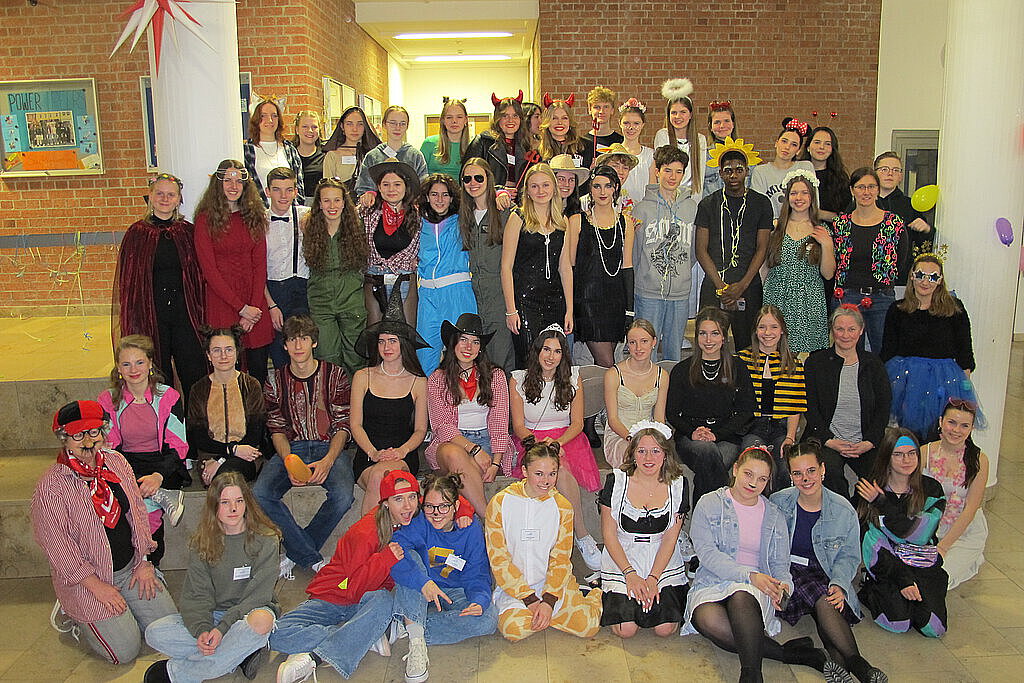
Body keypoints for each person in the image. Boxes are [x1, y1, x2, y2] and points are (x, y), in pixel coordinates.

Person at [32, 400, 176, 665]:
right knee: (125, 651)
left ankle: (125, 612)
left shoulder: (116, 462)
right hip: (89, 579)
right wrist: (96, 587)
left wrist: (144, 561)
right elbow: (57, 547)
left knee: (169, 630)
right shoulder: (51, 487)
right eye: (78, 435)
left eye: (94, 432)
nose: (88, 441)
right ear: (64, 438)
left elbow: (138, 512)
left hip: (131, 568)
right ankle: (75, 614)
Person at [683, 447, 837, 683]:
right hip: (713, 580)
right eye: (748, 474)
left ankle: (751, 674)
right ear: (736, 469)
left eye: (762, 479)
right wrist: (749, 575)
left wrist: (783, 587)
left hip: (756, 587)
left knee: (741, 596)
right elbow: (707, 554)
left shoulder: (774, 514)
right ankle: (792, 654)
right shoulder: (710, 503)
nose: (753, 483)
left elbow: (780, 564)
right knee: (705, 619)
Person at [272, 471, 443, 683]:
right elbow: (352, 589)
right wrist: (384, 560)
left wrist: (464, 510)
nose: (408, 506)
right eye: (398, 499)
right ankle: (363, 635)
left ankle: (323, 653)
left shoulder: (409, 520)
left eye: (412, 497)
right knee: (277, 634)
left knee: (383, 599)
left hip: (367, 602)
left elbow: (448, 501)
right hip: (334, 594)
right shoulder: (366, 532)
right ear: (386, 503)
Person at [143, 472, 280, 683]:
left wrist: (223, 629)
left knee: (262, 622)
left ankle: (178, 673)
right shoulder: (202, 543)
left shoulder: (267, 539)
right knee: (154, 633)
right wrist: (203, 630)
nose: (233, 508)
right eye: (225, 502)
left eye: (239, 501)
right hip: (215, 614)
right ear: (214, 505)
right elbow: (197, 594)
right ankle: (238, 653)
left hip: (250, 614)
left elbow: (258, 597)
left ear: (247, 503)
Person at [770, 441, 887, 683]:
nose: (805, 479)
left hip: (824, 571)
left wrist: (840, 583)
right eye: (797, 473)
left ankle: (842, 666)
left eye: (811, 470)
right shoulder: (778, 502)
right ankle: (860, 666)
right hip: (788, 572)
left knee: (827, 599)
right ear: (790, 475)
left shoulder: (843, 510)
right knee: (822, 599)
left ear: (823, 469)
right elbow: (768, 549)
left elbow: (849, 556)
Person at [254, 314, 354, 577]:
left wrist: (328, 461)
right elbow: (276, 428)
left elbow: (343, 425)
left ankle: (296, 553)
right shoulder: (275, 380)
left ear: (314, 342)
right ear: (285, 345)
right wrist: (289, 462)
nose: (298, 345)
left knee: (344, 496)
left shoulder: (335, 374)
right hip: (292, 447)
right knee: (260, 493)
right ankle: (310, 557)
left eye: (304, 339)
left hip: (328, 446)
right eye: (292, 340)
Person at [486, 438, 603, 642]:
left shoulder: (563, 507)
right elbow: (499, 559)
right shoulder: (500, 503)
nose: (546, 481)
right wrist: (530, 600)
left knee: (588, 626)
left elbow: (561, 559)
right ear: (524, 471)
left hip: (552, 586)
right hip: (515, 587)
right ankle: (548, 614)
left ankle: (593, 593)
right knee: (514, 631)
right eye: (538, 474)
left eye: (552, 474)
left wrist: (548, 602)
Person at [509, 325, 602, 572]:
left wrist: (557, 443)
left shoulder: (573, 377)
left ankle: (581, 536)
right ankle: (556, 540)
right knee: (549, 467)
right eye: (546, 350)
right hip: (530, 439)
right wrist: (540, 445)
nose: (551, 356)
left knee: (560, 469)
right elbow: (518, 426)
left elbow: (578, 423)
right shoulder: (518, 379)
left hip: (567, 438)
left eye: (557, 351)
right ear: (537, 351)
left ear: (564, 355)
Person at [391, 472, 498, 683]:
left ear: (456, 506)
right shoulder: (419, 523)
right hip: (422, 589)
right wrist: (423, 582)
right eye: (430, 506)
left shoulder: (470, 529)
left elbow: (477, 573)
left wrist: (479, 600)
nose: (436, 513)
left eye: (444, 506)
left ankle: (411, 627)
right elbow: (395, 554)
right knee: (407, 558)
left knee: (488, 618)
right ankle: (416, 640)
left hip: (455, 591)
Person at [113, 172, 205, 408]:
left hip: (186, 316)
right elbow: (128, 284)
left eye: (171, 195)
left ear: (179, 199)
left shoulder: (188, 232)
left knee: (194, 373)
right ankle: (166, 425)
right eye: (160, 194)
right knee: (159, 377)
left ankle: (196, 428)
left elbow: (200, 277)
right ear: (151, 197)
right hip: (152, 317)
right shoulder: (137, 234)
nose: (165, 199)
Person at [98, 335, 189, 567]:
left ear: (150, 363)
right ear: (118, 368)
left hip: (163, 463)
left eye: (139, 362)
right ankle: (159, 498)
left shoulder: (169, 396)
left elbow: (178, 445)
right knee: (128, 498)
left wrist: (158, 476)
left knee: (147, 511)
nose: (133, 370)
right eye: (126, 364)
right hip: (125, 464)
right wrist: (127, 475)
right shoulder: (108, 399)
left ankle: (150, 566)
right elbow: (109, 446)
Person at [600, 422, 689, 638]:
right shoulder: (616, 482)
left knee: (665, 629)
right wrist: (630, 574)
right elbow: (609, 535)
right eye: (642, 451)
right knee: (626, 629)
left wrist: (653, 578)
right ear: (632, 454)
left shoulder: (678, 485)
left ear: (665, 454)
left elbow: (670, 539)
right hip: (624, 555)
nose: (648, 458)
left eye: (655, 451)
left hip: (661, 557)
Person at [856, 429, 948, 638]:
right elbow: (873, 543)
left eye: (911, 453)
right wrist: (903, 579)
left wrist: (881, 504)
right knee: (898, 623)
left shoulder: (932, 489)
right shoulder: (869, 488)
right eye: (898, 454)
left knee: (934, 628)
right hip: (888, 565)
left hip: (922, 563)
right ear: (886, 457)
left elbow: (919, 534)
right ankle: (870, 589)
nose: (906, 460)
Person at [881, 253, 981, 440]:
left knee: (942, 433)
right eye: (920, 275)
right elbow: (887, 352)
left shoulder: (954, 309)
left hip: (944, 382)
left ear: (940, 280)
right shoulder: (897, 309)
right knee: (909, 435)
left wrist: (963, 391)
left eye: (933, 277)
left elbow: (965, 353)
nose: (925, 282)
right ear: (912, 276)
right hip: (907, 383)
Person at [194, 159, 273, 386]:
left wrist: (253, 308)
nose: (233, 186)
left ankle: (256, 410)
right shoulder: (205, 220)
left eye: (238, 181)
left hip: (255, 305)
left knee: (258, 371)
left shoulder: (254, 217)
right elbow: (209, 271)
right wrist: (241, 308)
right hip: (223, 305)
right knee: (227, 373)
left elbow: (260, 265)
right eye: (227, 180)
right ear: (218, 184)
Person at [349, 292, 429, 514]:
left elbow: (420, 430)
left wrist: (402, 451)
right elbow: (355, 424)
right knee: (378, 476)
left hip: (403, 455)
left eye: (392, 341)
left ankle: (366, 535)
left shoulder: (419, 382)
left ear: (403, 344)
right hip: (368, 454)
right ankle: (375, 535)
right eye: (382, 341)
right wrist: (374, 453)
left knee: (382, 476)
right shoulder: (362, 376)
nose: (386, 347)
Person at [667, 307, 756, 504]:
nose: (708, 340)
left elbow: (746, 411)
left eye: (715, 333)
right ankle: (725, 506)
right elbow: (671, 413)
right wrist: (692, 432)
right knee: (707, 452)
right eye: (703, 333)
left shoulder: (738, 368)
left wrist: (717, 434)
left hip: (727, 436)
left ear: (723, 337)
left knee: (709, 461)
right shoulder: (682, 370)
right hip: (690, 437)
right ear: (696, 336)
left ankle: (702, 514)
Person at [427, 313, 512, 516]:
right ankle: (490, 519)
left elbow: (500, 422)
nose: (468, 347)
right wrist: (474, 450)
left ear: (481, 347)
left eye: (475, 342)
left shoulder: (496, 376)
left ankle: (481, 519)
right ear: (453, 343)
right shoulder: (437, 378)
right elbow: (442, 426)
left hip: (487, 439)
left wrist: (496, 462)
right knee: (454, 455)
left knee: (467, 469)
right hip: (451, 442)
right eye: (463, 339)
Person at [804, 306, 891, 496]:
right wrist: (829, 440)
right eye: (839, 329)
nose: (845, 335)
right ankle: (842, 512)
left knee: (879, 477)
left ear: (861, 330)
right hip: (827, 441)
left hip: (864, 442)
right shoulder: (815, 363)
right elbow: (810, 407)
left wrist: (870, 441)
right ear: (832, 330)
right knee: (830, 473)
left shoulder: (874, 364)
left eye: (851, 329)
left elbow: (883, 408)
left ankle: (860, 512)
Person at [695, 140, 773, 351]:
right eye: (728, 170)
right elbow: (700, 250)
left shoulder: (761, 203)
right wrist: (721, 287)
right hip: (714, 284)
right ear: (720, 173)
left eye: (739, 170)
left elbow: (762, 248)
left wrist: (742, 286)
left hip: (748, 285)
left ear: (746, 171)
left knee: (747, 346)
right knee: (709, 344)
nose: (733, 175)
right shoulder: (708, 204)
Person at [501, 163, 575, 368]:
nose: (540, 191)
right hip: (525, 302)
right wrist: (511, 310)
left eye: (545, 185)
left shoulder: (563, 221)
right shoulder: (518, 218)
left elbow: (565, 268)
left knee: (552, 363)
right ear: (527, 190)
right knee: (528, 360)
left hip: (555, 302)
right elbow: (506, 267)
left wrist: (569, 309)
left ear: (554, 188)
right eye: (534, 186)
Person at [631, 145, 698, 361]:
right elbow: (635, 251)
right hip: (647, 292)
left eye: (678, 171)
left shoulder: (691, 208)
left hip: (679, 292)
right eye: (667, 170)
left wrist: (681, 272)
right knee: (644, 350)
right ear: (657, 171)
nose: (673, 177)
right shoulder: (641, 209)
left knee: (673, 352)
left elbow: (693, 250)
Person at [831, 167, 908, 353]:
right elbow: (834, 259)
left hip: (882, 297)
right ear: (852, 190)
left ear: (878, 190)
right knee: (848, 353)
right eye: (861, 187)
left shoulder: (893, 223)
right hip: (847, 296)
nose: (866, 192)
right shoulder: (841, 224)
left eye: (871, 187)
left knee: (884, 353)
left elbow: (901, 259)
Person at [763, 170, 836, 353]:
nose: (799, 198)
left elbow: (828, 274)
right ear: (787, 197)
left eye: (804, 193)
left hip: (809, 300)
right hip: (777, 296)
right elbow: (764, 267)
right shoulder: (775, 228)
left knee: (808, 355)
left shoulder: (821, 229)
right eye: (794, 193)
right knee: (777, 350)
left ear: (812, 197)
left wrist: (827, 244)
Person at [738, 306, 808, 493]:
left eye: (774, 327)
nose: (767, 333)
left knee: (784, 468)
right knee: (757, 465)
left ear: (782, 330)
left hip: (781, 428)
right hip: (751, 427)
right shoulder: (741, 360)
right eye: (762, 327)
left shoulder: (794, 364)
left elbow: (796, 406)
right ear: (755, 331)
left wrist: (790, 437)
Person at [302, 176, 367, 377]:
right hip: (321, 302)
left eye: (337, 200)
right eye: (327, 200)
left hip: (351, 299)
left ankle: (356, 396)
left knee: (355, 356)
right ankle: (332, 395)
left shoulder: (357, 227)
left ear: (344, 202)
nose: (332, 206)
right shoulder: (309, 228)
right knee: (327, 355)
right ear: (319, 204)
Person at [921, 399, 989, 589]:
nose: (956, 430)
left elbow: (971, 508)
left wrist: (943, 547)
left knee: (938, 578)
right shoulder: (925, 452)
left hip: (964, 531)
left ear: (971, 429)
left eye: (964, 425)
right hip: (929, 527)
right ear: (941, 421)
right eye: (952, 422)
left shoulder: (979, 460)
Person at [573, 165, 636, 368]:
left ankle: (603, 390)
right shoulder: (577, 221)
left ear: (615, 188)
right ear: (590, 189)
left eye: (608, 186)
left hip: (615, 301)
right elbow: (570, 267)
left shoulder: (626, 222)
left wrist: (629, 310)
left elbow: (627, 267)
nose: (602, 191)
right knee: (607, 362)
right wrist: (570, 307)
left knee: (606, 364)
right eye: (597, 186)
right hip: (587, 301)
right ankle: (614, 390)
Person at [187, 325, 267, 485]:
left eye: (229, 350)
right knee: (223, 476)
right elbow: (199, 438)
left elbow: (255, 433)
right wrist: (229, 452)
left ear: (237, 353)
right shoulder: (198, 389)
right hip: (209, 457)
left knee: (227, 475)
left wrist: (223, 458)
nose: (223, 356)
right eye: (216, 350)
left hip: (247, 454)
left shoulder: (251, 385)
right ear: (208, 355)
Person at [459, 158, 515, 370]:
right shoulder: (463, 215)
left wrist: (501, 193)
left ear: (488, 179)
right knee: (477, 362)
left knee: (500, 359)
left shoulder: (504, 211)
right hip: (472, 297)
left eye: (478, 178)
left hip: (499, 295)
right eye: (467, 179)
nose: (473, 183)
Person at [417, 172, 476, 375]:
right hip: (427, 295)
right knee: (425, 353)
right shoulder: (417, 222)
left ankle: (464, 395)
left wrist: (501, 193)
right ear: (427, 197)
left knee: (462, 351)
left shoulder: (463, 219)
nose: (440, 200)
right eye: (434, 194)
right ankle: (429, 395)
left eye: (445, 194)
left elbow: (483, 201)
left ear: (452, 198)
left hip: (458, 292)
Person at [361, 159, 421, 327]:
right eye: (386, 185)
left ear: (406, 187)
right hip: (374, 281)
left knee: (404, 334)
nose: (391, 189)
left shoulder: (419, 216)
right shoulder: (367, 212)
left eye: (397, 184)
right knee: (374, 334)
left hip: (404, 281)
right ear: (378, 188)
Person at [603, 319, 669, 468]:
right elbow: (613, 419)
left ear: (654, 342)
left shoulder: (662, 376)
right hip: (620, 435)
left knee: (660, 457)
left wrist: (653, 441)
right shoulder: (613, 374)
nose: (638, 348)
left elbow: (659, 418)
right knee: (632, 455)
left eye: (644, 341)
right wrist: (632, 439)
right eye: (633, 342)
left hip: (648, 435)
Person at [262, 167, 311, 369]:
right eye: (277, 190)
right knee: (278, 351)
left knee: (303, 349)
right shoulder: (259, 220)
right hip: (272, 291)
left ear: (296, 191)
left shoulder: (306, 215)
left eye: (289, 190)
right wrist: (271, 305)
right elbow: (255, 269)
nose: (283, 196)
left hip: (302, 290)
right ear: (267, 191)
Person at [465, 91, 535, 200]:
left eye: (515, 116)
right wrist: (498, 191)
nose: (510, 120)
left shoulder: (526, 146)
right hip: (489, 202)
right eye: (505, 116)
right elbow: (467, 178)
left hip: (519, 203)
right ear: (497, 118)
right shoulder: (483, 142)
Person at [874, 151, 934, 276]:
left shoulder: (910, 206)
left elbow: (922, 244)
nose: (890, 173)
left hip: (900, 276)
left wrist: (926, 230)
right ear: (874, 174)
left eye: (896, 170)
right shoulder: (863, 203)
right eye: (884, 169)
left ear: (901, 176)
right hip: (866, 273)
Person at [355, 105, 428, 206]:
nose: (397, 128)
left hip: (409, 210)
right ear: (384, 124)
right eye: (393, 123)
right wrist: (369, 195)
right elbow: (363, 188)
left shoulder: (415, 156)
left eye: (402, 123)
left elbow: (423, 187)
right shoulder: (373, 156)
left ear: (407, 126)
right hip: (379, 211)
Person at [750, 119, 818, 220]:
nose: (787, 147)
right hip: (770, 225)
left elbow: (814, 202)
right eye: (784, 141)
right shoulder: (760, 171)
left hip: (800, 223)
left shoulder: (805, 167)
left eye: (794, 144)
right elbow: (757, 206)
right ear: (776, 143)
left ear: (798, 151)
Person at [242, 98, 304, 205]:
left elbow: (299, 186)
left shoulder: (289, 149)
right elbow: (246, 189)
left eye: (274, 116)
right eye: (263, 116)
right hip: (260, 211)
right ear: (256, 119)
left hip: (289, 211)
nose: (270, 120)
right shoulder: (247, 151)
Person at [653, 79, 706, 198]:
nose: (678, 116)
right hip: (667, 196)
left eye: (683, 112)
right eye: (674, 113)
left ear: (690, 114)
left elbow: (700, 175)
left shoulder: (700, 140)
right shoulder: (663, 136)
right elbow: (660, 172)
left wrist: (695, 201)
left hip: (691, 197)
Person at [322, 106, 382, 191]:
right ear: (342, 126)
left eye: (360, 124)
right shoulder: (332, 155)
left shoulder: (374, 155)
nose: (354, 129)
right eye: (349, 124)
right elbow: (328, 189)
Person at [806, 126, 849, 222]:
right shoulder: (796, 173)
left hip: (830, 229)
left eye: (827, 144)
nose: (821, 147)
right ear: (808, 147)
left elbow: (846, 216)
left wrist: (821, 214)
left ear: (832, 149)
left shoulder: (841, 178)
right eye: (817, 142)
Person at [617, 98, 654, 203]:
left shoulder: (650, 155)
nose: (631, 127)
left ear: (642, 125)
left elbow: (652, 188)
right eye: (626, 123)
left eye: (636, 123)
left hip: (643, 208)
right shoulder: (613, 154)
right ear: (620, 123)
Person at [420, 97, 469, 177]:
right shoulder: (429, 143)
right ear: (443, 120)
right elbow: (420, 175)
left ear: (466, 120)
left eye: (459, 117)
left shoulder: (473, 146)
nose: (454, 121)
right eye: (449, 117)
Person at [537, 93, 588, 167]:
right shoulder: (537, 151)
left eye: (564, 118)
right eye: (554, 118)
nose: (560, 122)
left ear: (570, 121)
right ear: (547, 122)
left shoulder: (586, 146)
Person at [703, 100, 738, 197]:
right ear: (710, 127)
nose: (722, 126)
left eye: (726, 121)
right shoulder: (703, 156)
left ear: (733, 124)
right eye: (717, 122)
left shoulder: (746, 154)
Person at [291, 110, 325, 202]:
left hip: (321, 204)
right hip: (294, 203)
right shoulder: (289, 154)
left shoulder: (326, 153)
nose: (310, 130)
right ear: (297, 130)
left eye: (314, 127)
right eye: (305, 127)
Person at [584, 86, 624, 157]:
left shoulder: (621, 141)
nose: (601, 111)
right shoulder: (582, 142)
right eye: (597, 107)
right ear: (590, 110)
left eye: (606, 107)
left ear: (612, 110)